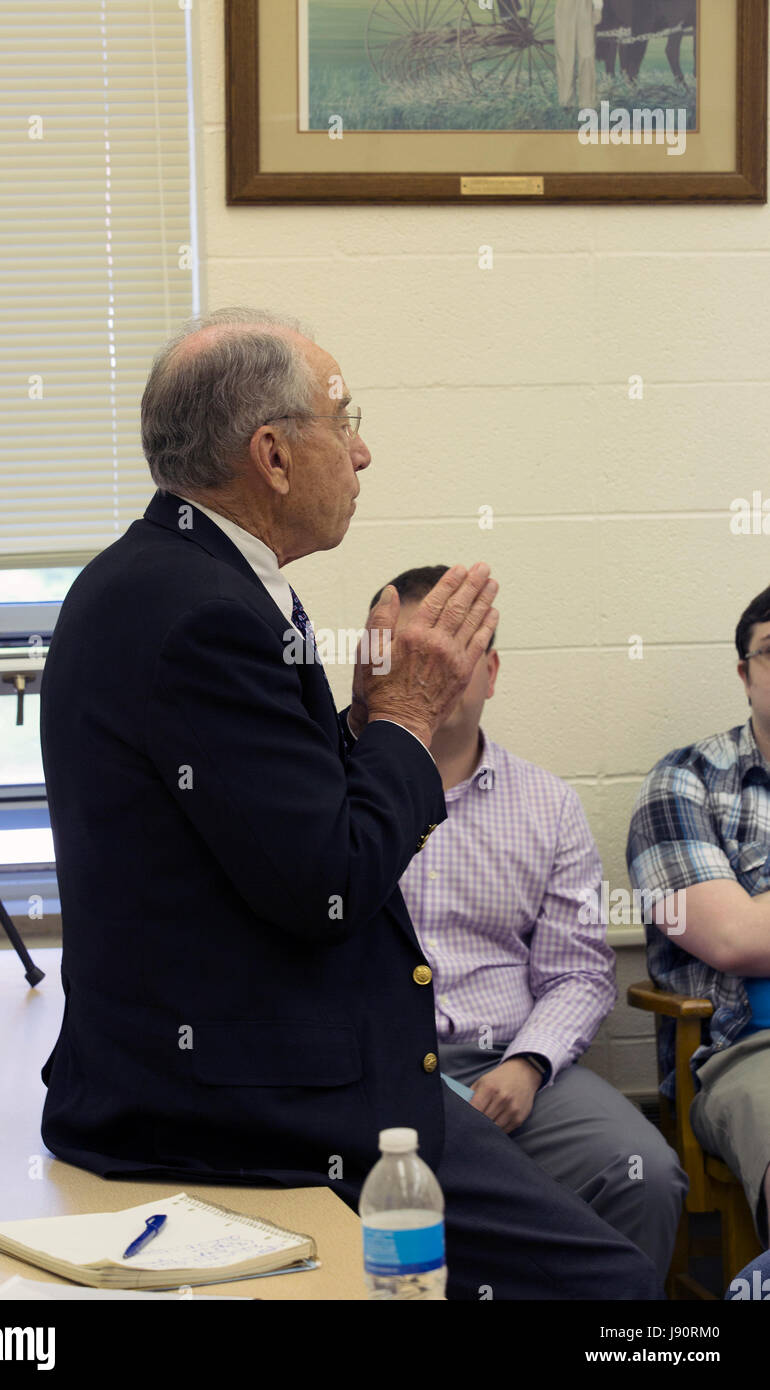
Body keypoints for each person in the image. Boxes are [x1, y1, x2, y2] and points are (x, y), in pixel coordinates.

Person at [40, 306, 662, 1299]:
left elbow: (268, 826)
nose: (364, 452)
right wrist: (405, 718)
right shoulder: (201, 611)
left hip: (270, 1072)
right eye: (347, 418)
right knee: (611, 1293)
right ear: (273, 456)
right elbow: (326, 879)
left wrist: (367, 717)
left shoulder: (175, 582)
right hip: (251, 1104)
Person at [344, 565, 687, 1278]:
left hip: (510, 1065)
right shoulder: (328, 789)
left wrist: (528, 1065)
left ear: (491, 671)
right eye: (415, 651)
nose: (435, 668)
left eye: (456, 648)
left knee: (643, 1170)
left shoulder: (548, 805)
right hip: (370, 1075)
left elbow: (580, 972)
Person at [627, 583, 770, 1250]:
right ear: (745, 673)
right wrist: (746, 925)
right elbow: (734, 939)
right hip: (750, 1050)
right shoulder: (684, 782)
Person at [555, 0, 603, 108]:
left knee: (587, 54)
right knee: (565, 53)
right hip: (564, 5)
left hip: (585, 6)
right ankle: (565, 101)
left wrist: (598, 8)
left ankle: (587, 102)